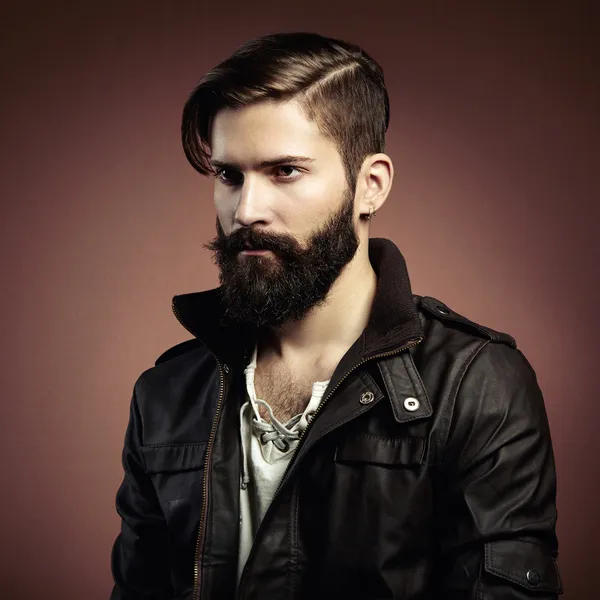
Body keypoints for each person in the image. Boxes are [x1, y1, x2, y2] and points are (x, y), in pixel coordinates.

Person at [109, 31, 563, 600]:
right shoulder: (166, 394)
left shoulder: (477, 387)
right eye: (229, 175)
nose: (246, 211)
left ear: (369, 186)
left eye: (285, 171)